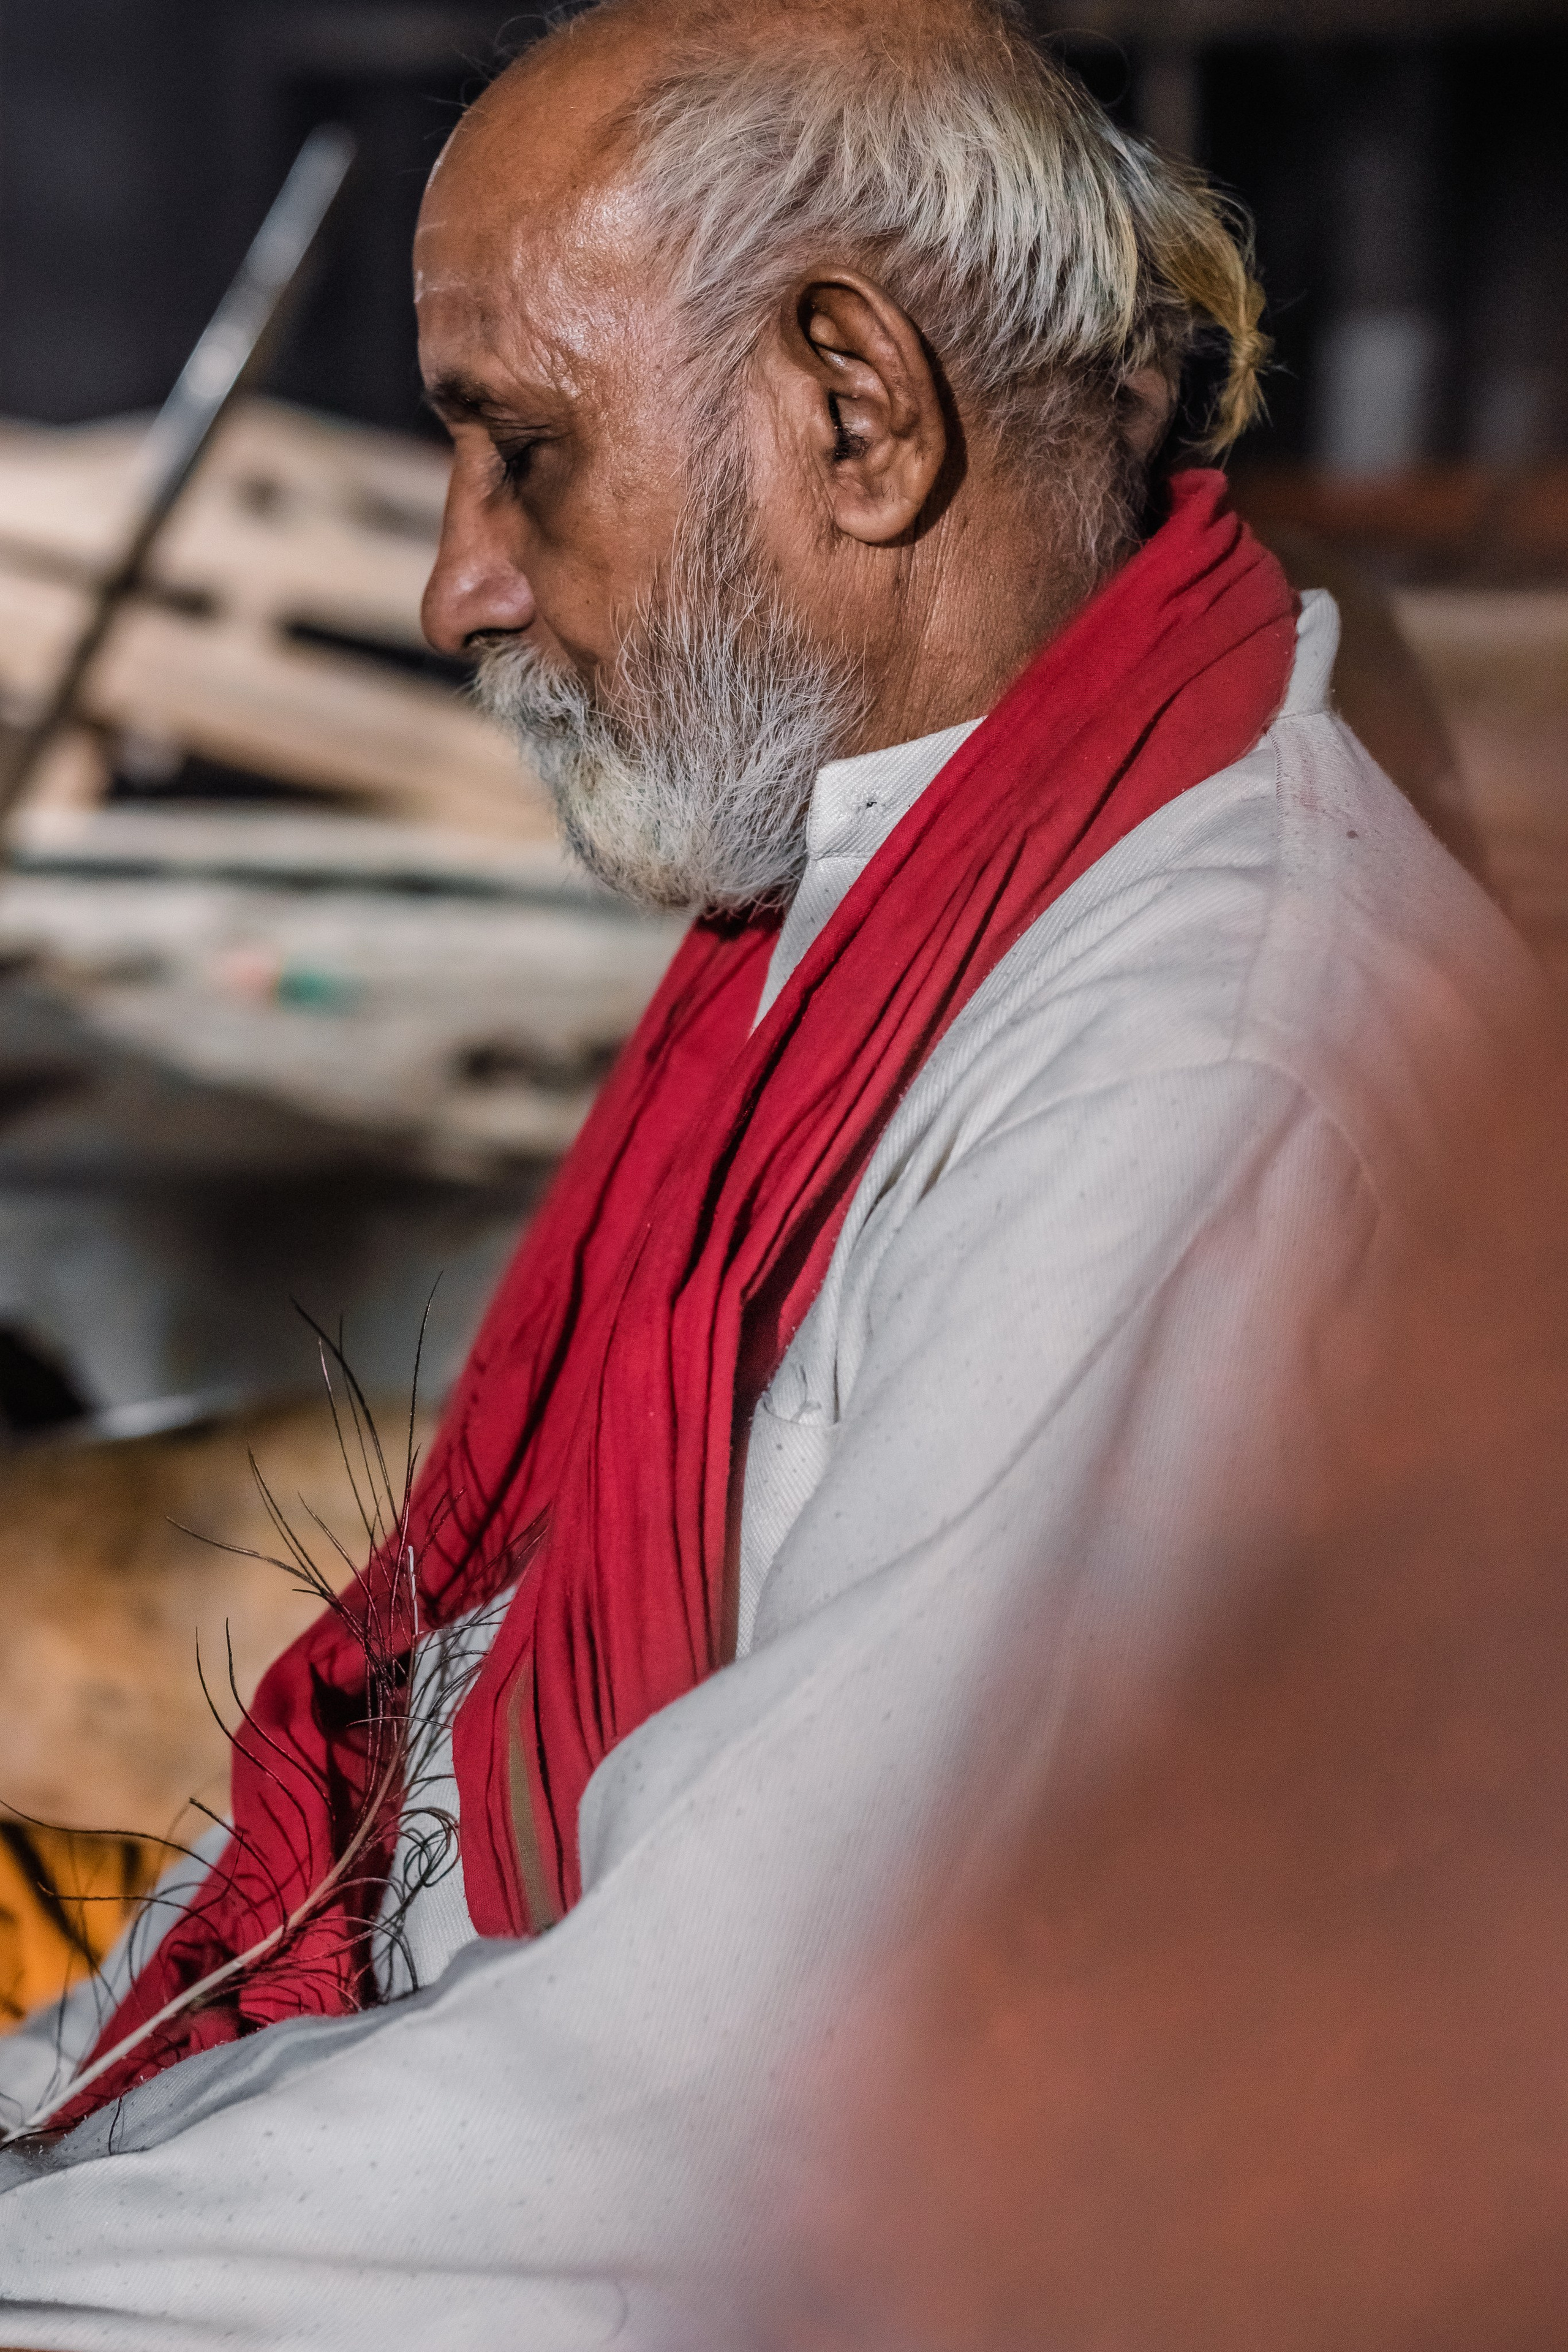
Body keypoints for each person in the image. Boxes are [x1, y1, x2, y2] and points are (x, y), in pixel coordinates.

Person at [3, 3, 1566, 2345]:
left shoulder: (1194, 1079)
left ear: (855, 408)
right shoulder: (862, 936)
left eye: (521, 452)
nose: (459, 588)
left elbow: (720, 2140)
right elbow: (440, 1829)